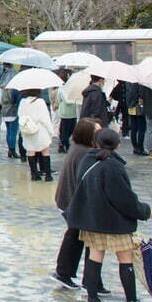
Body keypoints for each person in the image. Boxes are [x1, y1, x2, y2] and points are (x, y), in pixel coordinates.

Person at [65, 129, 152, 302]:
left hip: (92, 219)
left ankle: (92, 300)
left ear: (95, 143)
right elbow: (124, 199)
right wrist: (145, 211)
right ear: (118, 145)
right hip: (114, 222)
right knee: (125, 258)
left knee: (94, 257)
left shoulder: (87, 160)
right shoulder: (113, 166)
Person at [51, 118, 101, 290]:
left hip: (69, 201)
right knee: (84, 238)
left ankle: (71, 274)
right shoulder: (84, 153)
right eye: (97, 131)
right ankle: (81, 278)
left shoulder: (79, 148)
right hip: (73, 203)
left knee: (77, 237)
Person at [19, 88, 55, 181]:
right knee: (45, 151)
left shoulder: (23, 102)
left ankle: (34, 175)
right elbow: (45, 119)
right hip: (40, 130)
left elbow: (20, 116)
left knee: (30, 151)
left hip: (28, 129)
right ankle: (48, 175)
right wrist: (51, 131)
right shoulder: (40, 102)